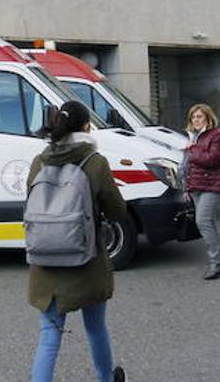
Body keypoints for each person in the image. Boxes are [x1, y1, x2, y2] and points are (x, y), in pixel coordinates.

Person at [26, 100, 127, 382]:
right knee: (96, 329)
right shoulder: (94, 162)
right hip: (86, 262)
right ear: (85, 126)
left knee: (48, 337)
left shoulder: (39, 161)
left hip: (45, 263)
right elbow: (118, 211)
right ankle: (106, 379)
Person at [183, 102, 220, 280]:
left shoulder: (216, 135)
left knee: (202, 221)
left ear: (208, 118)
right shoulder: (194, 137)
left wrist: (192, 149)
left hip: (214, 185)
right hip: (197, 186)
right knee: (208, 222)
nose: (196, 120)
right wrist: (187, 187)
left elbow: (213, 159)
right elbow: (188, 165)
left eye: (199, 116)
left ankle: (216, 263)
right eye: (193, 117)